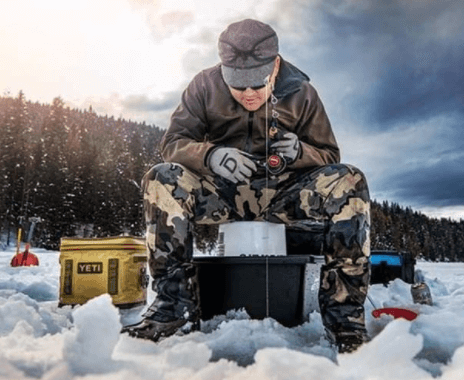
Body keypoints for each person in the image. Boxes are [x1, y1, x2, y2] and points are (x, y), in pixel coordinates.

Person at [121, 18, 371, 353]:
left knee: (349, 179)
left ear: (276, 65)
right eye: (238, 86)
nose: (249, 94)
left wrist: (300, 152)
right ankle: (172, 308)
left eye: (258, 84)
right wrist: (210, 155)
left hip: (285, 195)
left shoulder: (302, 93)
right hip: (221, 194)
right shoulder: (203, 86)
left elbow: (330, 156)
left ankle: (345, 321)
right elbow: (172, 144)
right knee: (161, 178)